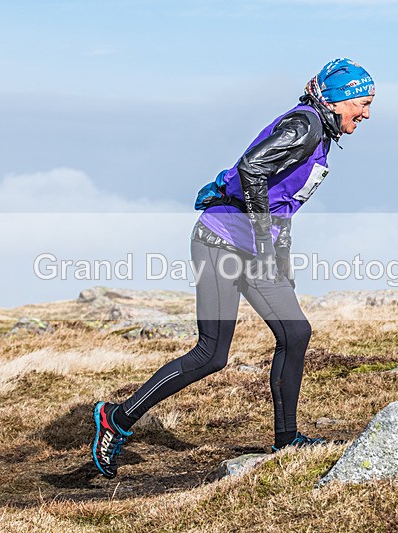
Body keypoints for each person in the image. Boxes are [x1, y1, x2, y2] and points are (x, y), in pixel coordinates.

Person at [91, 58, 375, 479]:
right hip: (220, 243)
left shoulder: (320, 132)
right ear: (336, 100)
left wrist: (277, 254)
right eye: (362, 103)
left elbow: (282, 201)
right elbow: (252, 168)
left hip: (255, 249)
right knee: (211, 354)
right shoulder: (307, 126)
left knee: (295, 332)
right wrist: (265, 242)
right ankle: (116, 418)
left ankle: (286, 439)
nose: (366, 113)